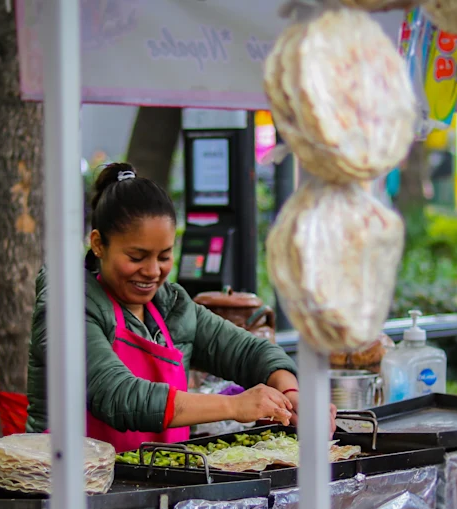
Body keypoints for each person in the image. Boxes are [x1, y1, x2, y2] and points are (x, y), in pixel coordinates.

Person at [26, 162, 335, 451]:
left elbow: (249, 352)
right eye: (136, 257)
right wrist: (234, 406)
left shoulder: (171, 307)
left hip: (154, 485)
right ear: (98, 244)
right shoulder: (66, 306)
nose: (152, 271)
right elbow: (116, 395)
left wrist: (293, 395)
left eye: (163, 256)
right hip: (70, 488)